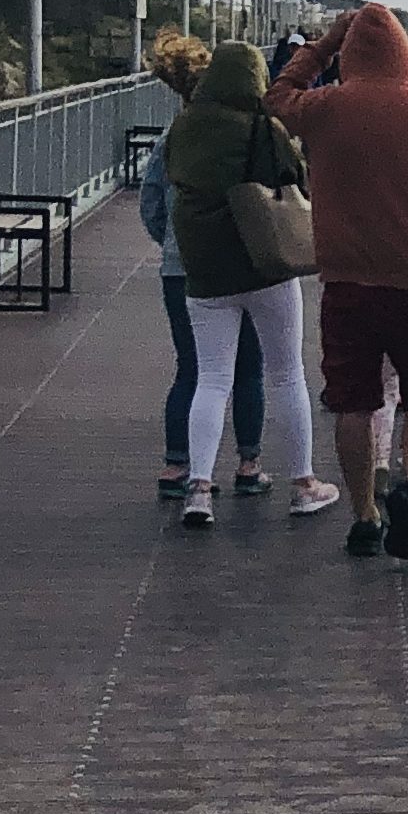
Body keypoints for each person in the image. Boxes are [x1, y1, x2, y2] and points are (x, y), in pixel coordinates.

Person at [265, 3, 408, 561]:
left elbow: (277, 96)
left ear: (351, 57)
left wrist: (323, 44)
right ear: (406, 58)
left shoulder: (323, 109)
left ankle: (365, 516)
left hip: (346, 282)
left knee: (353, 402)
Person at [159, 41, 338, 531]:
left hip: (205, 273)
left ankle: (198, 489)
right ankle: (303, 484)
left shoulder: (185, 126)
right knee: (286, 374)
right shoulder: (264, 126)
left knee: (211, 380)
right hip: (266, 267)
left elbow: (172, 177)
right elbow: (295, 177)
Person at [137, 28, 269, 501]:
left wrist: (172, 243)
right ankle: (249, 463)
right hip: (247, 264)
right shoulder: (249, 133)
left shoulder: (174, 137)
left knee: (192, 369)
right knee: (248, 369)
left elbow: (151, 201)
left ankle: (179, 468)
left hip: (183, 268)